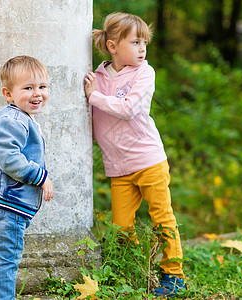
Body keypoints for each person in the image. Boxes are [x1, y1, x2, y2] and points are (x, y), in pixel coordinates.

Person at [84, 12, 186, 297]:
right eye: (135, 42)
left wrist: (94, 96)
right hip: (118, 167)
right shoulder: (99, 76)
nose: (142, 49)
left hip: (148, 160)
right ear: (113, 46)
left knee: (162, 218)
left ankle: (174, 275)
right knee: (121, 227)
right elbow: (95, 121)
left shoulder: (144, 73)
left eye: (145, 43)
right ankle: (138, 269)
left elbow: (128, 108)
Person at [0, 55, 54, 300]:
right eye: (28, 88)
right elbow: (9, 159)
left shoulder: (16, 117)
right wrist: (41, 177)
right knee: (6, 262)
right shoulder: (13, 120)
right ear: (9, 94)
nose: (37, 93)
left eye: (42, 87)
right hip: (8, 205)